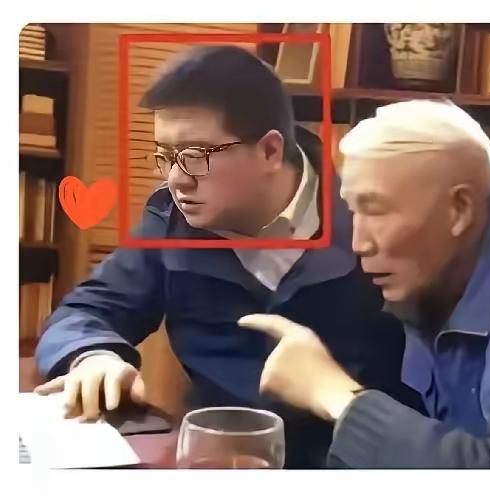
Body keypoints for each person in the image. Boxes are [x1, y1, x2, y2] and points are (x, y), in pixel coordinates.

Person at [33, 45, 416, 469]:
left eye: (196, 156)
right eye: (166, 156)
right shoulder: (170, 221)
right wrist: (93, 356)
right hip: (214, 461)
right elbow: (86, 311)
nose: (176, 180)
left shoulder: (368, 219)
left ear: (270, 151)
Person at [240, 94, 490, 467]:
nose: (359, 243)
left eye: (376, 211)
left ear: (459, 209)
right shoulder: (425, 276)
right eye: (353, 211)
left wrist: (333, 392)